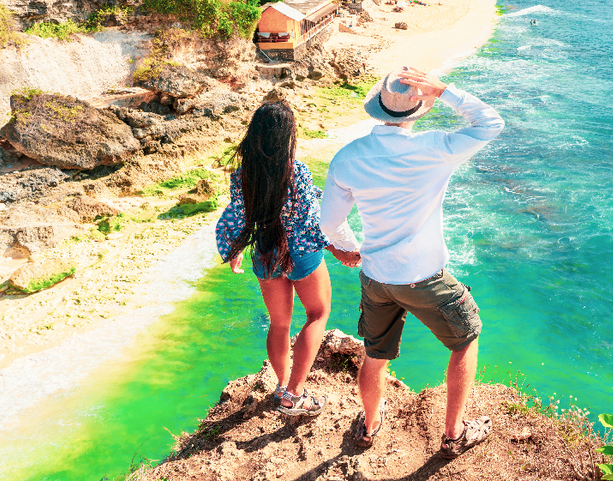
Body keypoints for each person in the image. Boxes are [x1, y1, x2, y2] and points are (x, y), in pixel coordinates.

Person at [321, 67, 503, 458]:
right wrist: (445, 91)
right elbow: (490, 123)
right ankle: (453, 434)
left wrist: (349, 249)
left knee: (374, 353)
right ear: (417, 110)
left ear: (378, 108)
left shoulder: (348, 157)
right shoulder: (434, 148)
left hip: (376, 276)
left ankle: (369, 426)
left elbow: (329, 223)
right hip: (423, 278)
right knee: (466, 336)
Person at [216, 100, 361, 417]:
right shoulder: (296, 171)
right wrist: (337, 249)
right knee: (318, 314)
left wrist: (233, 248)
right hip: (299, 251)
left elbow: (238, 217)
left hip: (266, 252)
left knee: (279, 324)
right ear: (287, 136)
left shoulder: (242, 176)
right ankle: (294, 395)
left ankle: (282, 386)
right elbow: (312, 219)